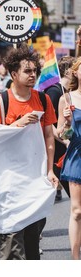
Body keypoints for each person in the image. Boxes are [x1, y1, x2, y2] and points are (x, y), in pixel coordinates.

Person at [0, 43, 58, 260]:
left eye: (34, 70)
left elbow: (48, 137)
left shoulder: (43, 99)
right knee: (11, 238)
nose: (33, 75)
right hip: (8, 179)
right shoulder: (0, 101)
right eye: (27, 71)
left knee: (32, 239)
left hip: (35, 178)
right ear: (13, 73)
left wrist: (50, 170)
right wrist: (18, 124)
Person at [57, 56, 81, 259]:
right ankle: (75, 260)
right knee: (77, 211)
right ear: (75, 72)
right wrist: (66, 123)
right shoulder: (67, 99)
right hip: (77, 156)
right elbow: (61, 135)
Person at [45, 55, 76, 201]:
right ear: (69, 71)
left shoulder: (70, 93)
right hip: (59, 150)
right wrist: (65, 141)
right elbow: (48, 123)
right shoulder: (55, 92)